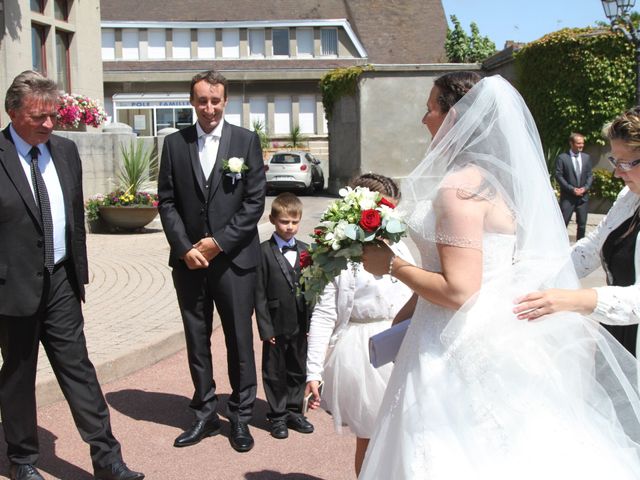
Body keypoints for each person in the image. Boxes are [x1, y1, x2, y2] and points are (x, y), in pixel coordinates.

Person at [359, 72, 640, 479]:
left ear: (454, 116)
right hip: (477, 329)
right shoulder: (496, 183)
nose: (424, 119)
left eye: (430, 108)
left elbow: (460, 290)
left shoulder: (459, 189)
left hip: (450, 340)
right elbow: (581, 252)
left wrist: (392, 264)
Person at [0, 71, 144, 480]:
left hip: (61, 281)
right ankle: (24, 458)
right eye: (38, 116)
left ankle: (107, 458)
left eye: (53, 115)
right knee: (18, 374)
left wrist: (78, 273)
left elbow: (75, 219)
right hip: (12, 288)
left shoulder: (64, 152)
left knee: (78, 369)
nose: (49, 124)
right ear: (13, 112)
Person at [158, 70, 266, 453]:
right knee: (196, 338)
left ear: (225, 100)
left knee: (239, 339)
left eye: (215, 100)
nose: (209, 108)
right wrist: (185, 245)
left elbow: (254, 203)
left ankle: (239, 415)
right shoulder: (174, 144)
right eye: (202, 100)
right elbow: (166, 200)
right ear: (192, 102)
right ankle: (204, 412)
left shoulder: (246, 141)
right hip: (189, 262)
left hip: (234, 260)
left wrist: (218, 243)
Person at [305, 173, 415, 477]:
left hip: (401, 342)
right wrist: (313, 369)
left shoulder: (400, 247)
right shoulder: (341, 256)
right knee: (371, 437)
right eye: (383, 210)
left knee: (404, 433)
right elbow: (325, 313)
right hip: (363, 355)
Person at [514, 107, 640, 357]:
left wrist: (573, 300)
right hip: (619, 329)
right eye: (615, 161)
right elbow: (592, 248)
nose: (616, 172)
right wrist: (531, 271)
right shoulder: (629, 196)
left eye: (625, 162)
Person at [255, 192, 314, 439]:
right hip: (276, 324)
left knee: (298, 368)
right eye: (284, 222)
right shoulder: (262, 252)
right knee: (275, 370)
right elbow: (258, 292)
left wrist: (312, 323)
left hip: (301, 322)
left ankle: (293, 411)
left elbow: (313, 289)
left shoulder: (307, 250)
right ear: (272, 220)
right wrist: (265, 329)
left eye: (294, 222)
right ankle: (277, 415)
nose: (289, 227)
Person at [556, 132, 593, 240]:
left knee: (582, 225)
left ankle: (579, 247)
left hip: (583, 197)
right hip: (568, 197)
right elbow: (559, 176)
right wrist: (571, 189)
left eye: (582, 143)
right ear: (571, 143)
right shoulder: (562, 158)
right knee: (563, 224)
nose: (581, 145)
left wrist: (585, 188)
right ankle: (560, 244)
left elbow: (590, 175)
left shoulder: (586, 158)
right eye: (578, 143)